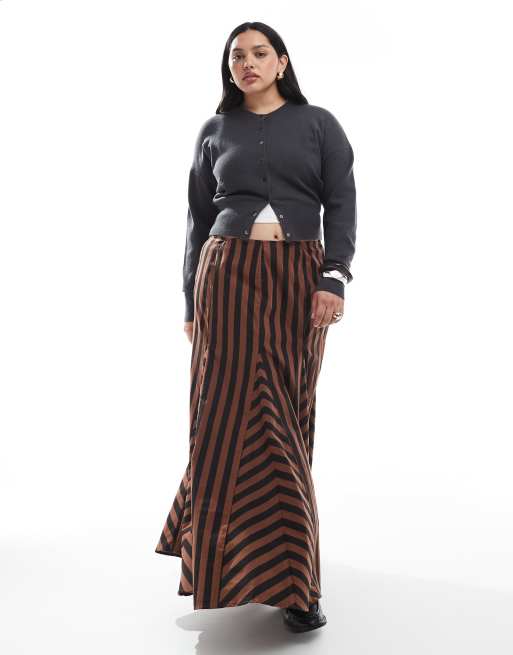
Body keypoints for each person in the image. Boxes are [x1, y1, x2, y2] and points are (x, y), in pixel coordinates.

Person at [155, 21, 357, 633]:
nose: (246, 63)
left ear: (282, 62)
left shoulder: (319, 124)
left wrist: (334, 277)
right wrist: (190, 303)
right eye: (236, 55)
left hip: (298, 278)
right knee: (221, 417)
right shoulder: (215, 131)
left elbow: (342, 203)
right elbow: (197, 221)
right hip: (225, 278)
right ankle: (230, 569)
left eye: (259, 53)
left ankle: (292, 576)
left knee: (284, 416)